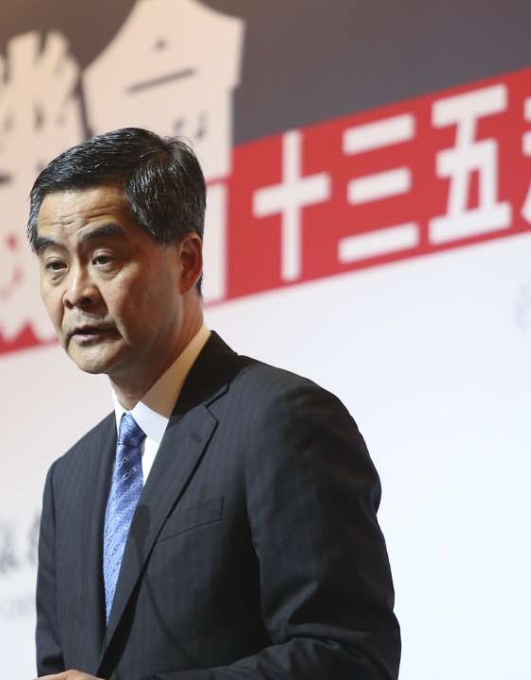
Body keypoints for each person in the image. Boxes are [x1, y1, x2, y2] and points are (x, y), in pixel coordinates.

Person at [28, 127, 400, 679]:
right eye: (56, 265)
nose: (75, 291)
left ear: (187, 261)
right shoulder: (71, 480)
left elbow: (345, 657)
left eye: (103, 258)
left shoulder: (282, 422)